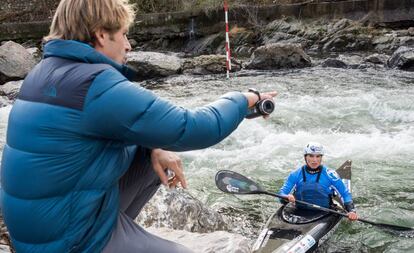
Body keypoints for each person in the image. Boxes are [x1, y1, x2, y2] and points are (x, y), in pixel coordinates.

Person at [0, 0, 277, 252]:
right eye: (123, 34)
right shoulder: (94, 84)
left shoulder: (43, 72)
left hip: (43, 229)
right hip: (72, 241)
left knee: (150, 157)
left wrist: (153, 145)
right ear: (100, 34)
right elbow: (191, 128)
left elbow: (106, 128)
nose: (129, 45)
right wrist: (243, 99)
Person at [279, 142, 358, 221]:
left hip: (324, 212)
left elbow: (345, 194)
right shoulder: (295, 174)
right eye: (311, 156)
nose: (314, 160)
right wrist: (286, 197)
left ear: (321, 157)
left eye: (318, 156)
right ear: (305, 157)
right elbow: (282, 194)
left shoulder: (330, 175)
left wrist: (351, 211)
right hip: (298, 210)